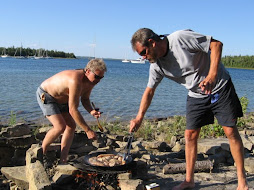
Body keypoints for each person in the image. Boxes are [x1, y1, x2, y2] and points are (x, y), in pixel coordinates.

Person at [129, 28, 249, 190]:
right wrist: (139, 117)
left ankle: (242, 181)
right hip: (196, 93)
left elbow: (216, 45)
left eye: (143, 52)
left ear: (152, 42)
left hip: (220, 86)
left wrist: (212, 76)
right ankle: (189, 180)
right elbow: (149, 91)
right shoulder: (156, 66)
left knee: (229, 131)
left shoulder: (180, 38)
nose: (143, 57)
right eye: (140, 55)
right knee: (190, 135)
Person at [36, 58, 106, 164]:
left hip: (63, 99)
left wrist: (91, 111)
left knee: (71, 126)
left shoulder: (90, 82)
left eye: (101, 78)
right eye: (97, 77)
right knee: (60, 127)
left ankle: (63, 160)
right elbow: (73, 110)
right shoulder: (75, 80)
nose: (98, 80)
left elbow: (85, 99)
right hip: (47, 95)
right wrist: (87, 130)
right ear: (88, 71)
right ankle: (42, 152)